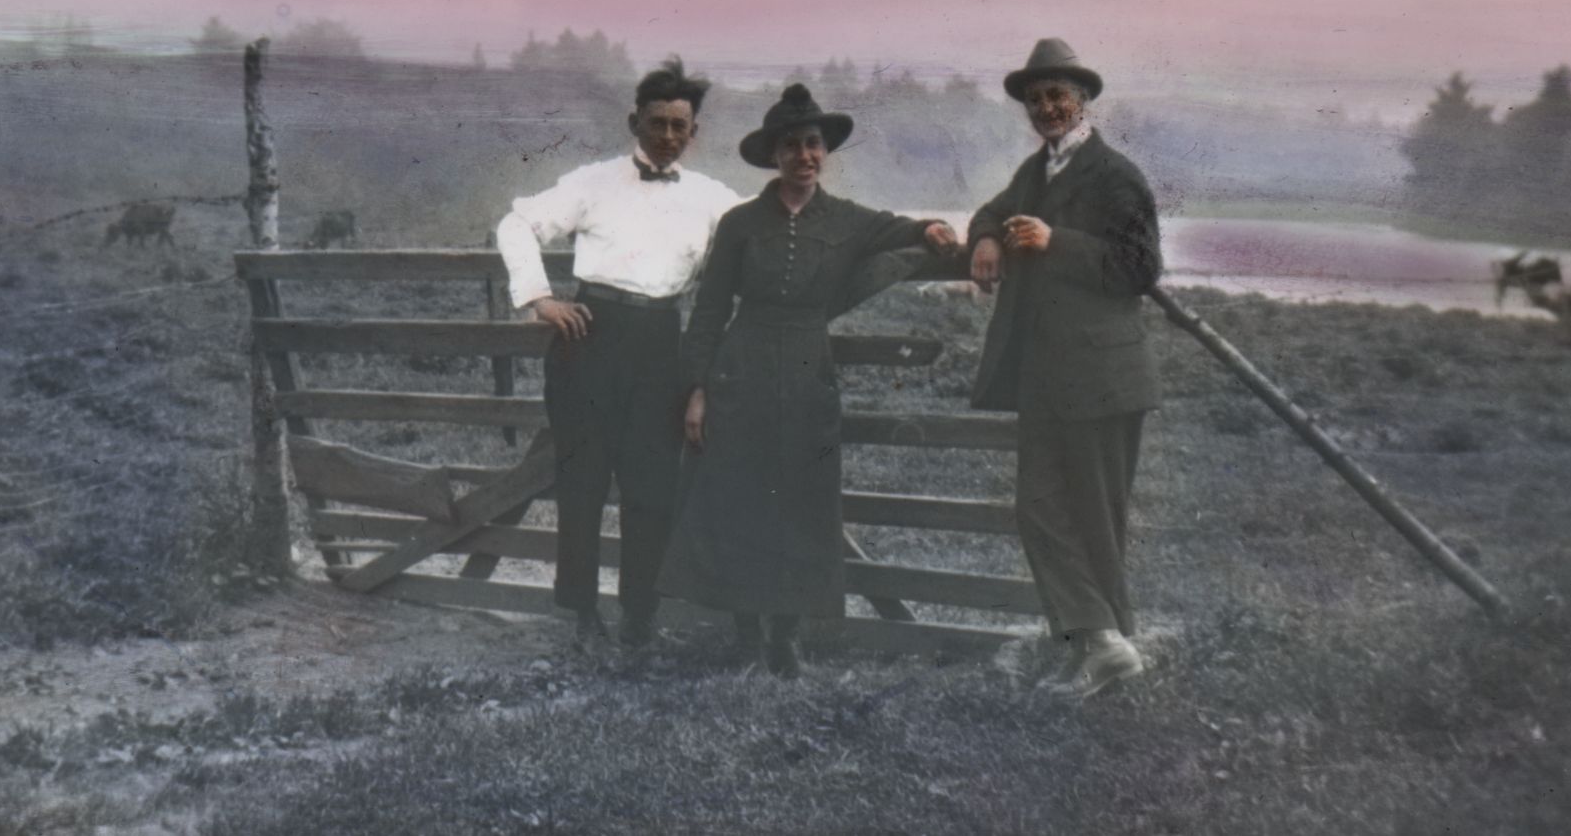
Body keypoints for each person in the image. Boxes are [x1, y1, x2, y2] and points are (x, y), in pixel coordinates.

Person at [658, 84, 960, 677]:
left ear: (826, 152)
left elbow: (904, 229)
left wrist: (936, 230)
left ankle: (785, 641)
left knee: (801, 501)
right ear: (774, 154)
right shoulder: (741, 223)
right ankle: (746, 638)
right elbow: (712, 309)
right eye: (792, 145)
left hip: (805, 373)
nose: (805, 155)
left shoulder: (847, 221)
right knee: (739, 497)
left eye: (814, 144)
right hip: (740, 369)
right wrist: (697, 389)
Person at [494, 58, 743, 647]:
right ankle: (581, 614)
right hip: (588, 339)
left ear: (694, 133)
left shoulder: (715, 200)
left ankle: (640, 616)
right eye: (656, 123)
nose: (666, 137)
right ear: (635, 121)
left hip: (662, 347)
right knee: (581, 483)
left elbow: (757, 240)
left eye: (679, 126)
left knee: (652, 489)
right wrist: (539, 298)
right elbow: (516, 223)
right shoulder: (593, 181)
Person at [965, 38, 1163, 700]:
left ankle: (1102, 650)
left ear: (1082, 101)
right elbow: (993, 209)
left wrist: (1058, 243)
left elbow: (1139, 268)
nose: (1048, 107)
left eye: (1058, 95)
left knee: (1094, 519)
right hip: (1049, 377)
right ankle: (1103, 643)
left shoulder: (1116, 175)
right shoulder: (1038, 171)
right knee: (1039, 508)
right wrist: (988, 238)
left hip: (1104, 380)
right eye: (1037, 98)